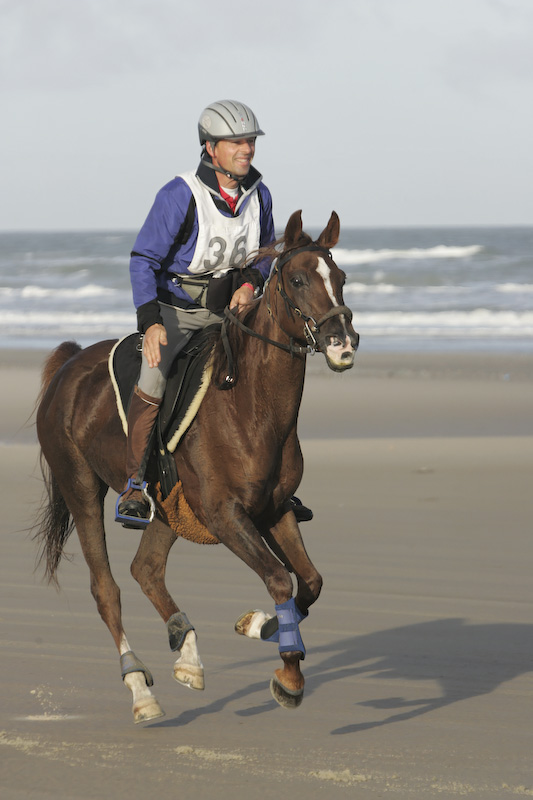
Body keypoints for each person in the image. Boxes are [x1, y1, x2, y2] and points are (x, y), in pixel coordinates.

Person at [116, 99, 313, 527]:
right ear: (211, 148)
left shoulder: (260, 194)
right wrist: (150, 322)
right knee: (153, 376)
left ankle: (273, 485)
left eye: (250, 142)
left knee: (271, 368)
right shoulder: (178, 194)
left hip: (232, 312)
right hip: (178, 311)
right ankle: (136, 484)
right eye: (237, 142)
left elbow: (264, 256)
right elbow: (143, 260)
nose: (247, 149)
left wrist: (248, 284)